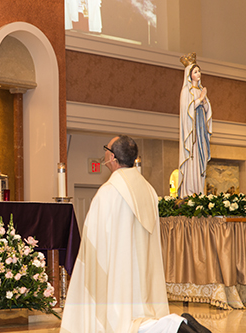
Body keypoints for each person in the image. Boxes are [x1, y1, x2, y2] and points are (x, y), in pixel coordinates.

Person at [61, 135, 211, 333]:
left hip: (117, 272)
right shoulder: (148, 189)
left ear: (112, 157)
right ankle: (175, 325)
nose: (104, 152)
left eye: (106, 148)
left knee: (121, 321)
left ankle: (176, 325)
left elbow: (93, 241)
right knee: (142, 314)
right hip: (143, 272)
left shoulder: (108, 191)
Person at [178, 52, 212, 198]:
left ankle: (199, 190)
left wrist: (204, 101)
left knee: (201, 157)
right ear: (189, 75)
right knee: (192, 158)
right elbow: (187, 110)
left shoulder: (200, 91)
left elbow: (207, 111)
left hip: (201, 131)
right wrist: (201, 99)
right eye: (196, 71)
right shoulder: (186, 91)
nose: (199, 74)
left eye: (199, 71)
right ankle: (190, 191)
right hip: (191, 133)